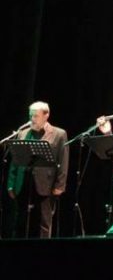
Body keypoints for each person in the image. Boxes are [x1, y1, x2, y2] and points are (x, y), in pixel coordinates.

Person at [6, 101, 69, 238]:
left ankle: (42, 254)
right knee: (20, 220)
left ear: (46, 115)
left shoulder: (59, 134)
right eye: (30, 116)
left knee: (43, 222)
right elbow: (14, 161)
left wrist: (60, 185)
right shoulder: (22, 133)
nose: (32, 119)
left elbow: (63, 161)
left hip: (45, 184)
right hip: (23, 182)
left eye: (36, 116)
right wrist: (11, 184)